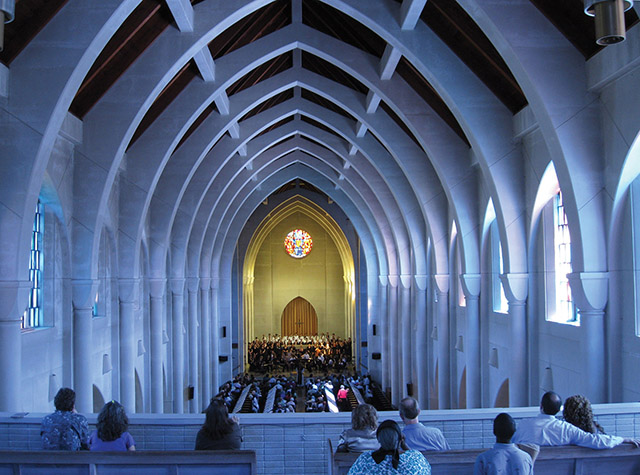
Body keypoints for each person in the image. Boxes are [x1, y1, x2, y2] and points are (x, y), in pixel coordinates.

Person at [512, 391, 640, 449]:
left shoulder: (524, 425)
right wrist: (623, 439)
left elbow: (513, 445)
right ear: (558, 410)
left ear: (541, 406)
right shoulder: (567, 430)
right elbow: (596, 441)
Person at [348, 419, 430, 474]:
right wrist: (404, 445)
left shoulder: (365, 460)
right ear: (400, 438)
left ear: (378, 439)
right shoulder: (415, 458)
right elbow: (426, 471)